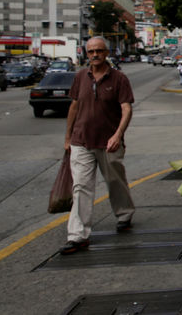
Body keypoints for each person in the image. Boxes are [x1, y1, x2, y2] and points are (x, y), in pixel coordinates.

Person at [60, 36, 135, 255]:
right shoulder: (81, 77)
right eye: (91, 51)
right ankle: (78, 235)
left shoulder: (119, 78)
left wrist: (118, 135)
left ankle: (124, 214)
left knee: (115, 181)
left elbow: (127, 109)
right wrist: (67, 138)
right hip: (81, 141)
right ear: (86, 53)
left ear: (107, 53)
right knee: (81, 187)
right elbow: (74, 107)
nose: (95, 55)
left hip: (109, 142)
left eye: (99, 51)